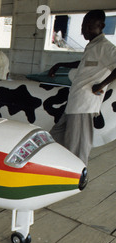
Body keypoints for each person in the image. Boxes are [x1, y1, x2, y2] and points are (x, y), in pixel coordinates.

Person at [48, 10, 116, 165]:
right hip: (75, 102)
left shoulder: (105, 47)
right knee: (56, 136)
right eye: (83, 26)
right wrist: (60, 64)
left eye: (89, 26)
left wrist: (101, 85)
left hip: (84, 105)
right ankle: (55, 167)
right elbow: (82, 65)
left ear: (102, 26)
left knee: (77, 146)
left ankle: (76, 176)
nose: (84, 30)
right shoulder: (93, 46)